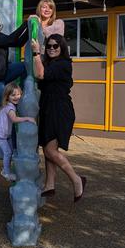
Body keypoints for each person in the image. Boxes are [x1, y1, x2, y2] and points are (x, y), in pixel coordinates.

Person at [32, 34, 86, 203]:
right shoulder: (50, 63)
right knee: (48, 146)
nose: (52, 49)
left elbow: (40, 75)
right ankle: (49, 185)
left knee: (50, 150)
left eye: (55, 46)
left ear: (62, 47)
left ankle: (77, 180)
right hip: (48, 109)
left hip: (59, 109)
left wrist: (35, 54)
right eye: (49, 46)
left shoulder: (63, 64)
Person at [0, 83, 35, 182]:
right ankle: (6, 172)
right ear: (7, 97)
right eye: (13, 95)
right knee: (8, 152)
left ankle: (7, 168)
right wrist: (28, 118)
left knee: (12, 151)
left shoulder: (11, 105)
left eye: (18, 94)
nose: (16, 97)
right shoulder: (10, 108)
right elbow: (14, 119)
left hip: (6, 134)